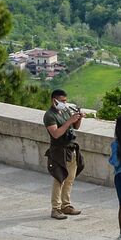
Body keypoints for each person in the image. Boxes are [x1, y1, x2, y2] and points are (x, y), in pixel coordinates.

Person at [44, 89, 85, 220]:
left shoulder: (66, 111)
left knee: (70, 179)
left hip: (71, 148)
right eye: (62, 101)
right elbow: (55, 134)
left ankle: (66, 205)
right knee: (59, 178)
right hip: (58, 150)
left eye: (65, 101)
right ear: (54, 100)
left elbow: (75, 127)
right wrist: (69, 121)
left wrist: (78, 118)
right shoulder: (49, 115)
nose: (64, 103)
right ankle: (56, 208)